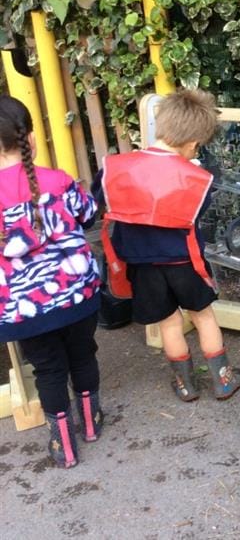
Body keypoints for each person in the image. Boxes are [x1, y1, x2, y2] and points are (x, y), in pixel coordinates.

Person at [94, 88, 240, 402]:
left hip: (142, 267)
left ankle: (186, 385)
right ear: (193, 142)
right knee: (203, 316)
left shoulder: (116, 168)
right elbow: (196, 213)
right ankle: (223, 380)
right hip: (184, 264)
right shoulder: (196, 178)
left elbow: (100, 200)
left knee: (169, 323)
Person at [0, 95, 103, 468]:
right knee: (83, 353)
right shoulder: (56, 180)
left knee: (47, 369)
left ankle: (64, 443)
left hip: (24, 309)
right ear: (28, 137)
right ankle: (91, 422)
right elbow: (88, 214)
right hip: (77, 294)